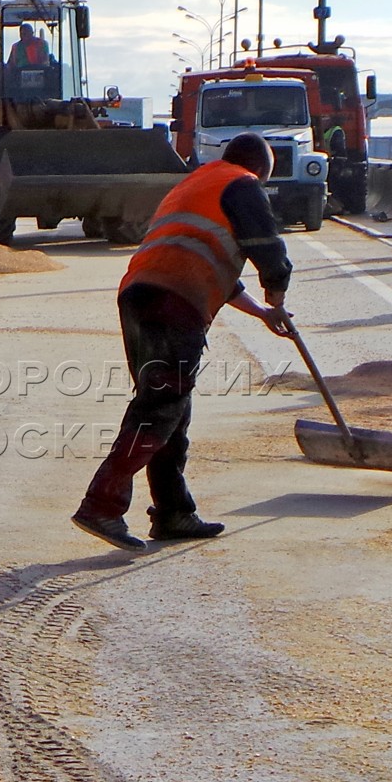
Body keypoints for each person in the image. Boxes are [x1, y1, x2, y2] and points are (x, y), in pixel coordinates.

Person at [72, 133, 293, 552]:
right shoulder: (243, 183)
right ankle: (101, 504)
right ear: (260, 168)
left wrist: (263, 314)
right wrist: (277, 295)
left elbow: (216, 267)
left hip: (139, 294)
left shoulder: (196, 186)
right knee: (160, 408)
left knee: (170, 409)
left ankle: (173, 513)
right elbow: (266, 246)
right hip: (173, 300)